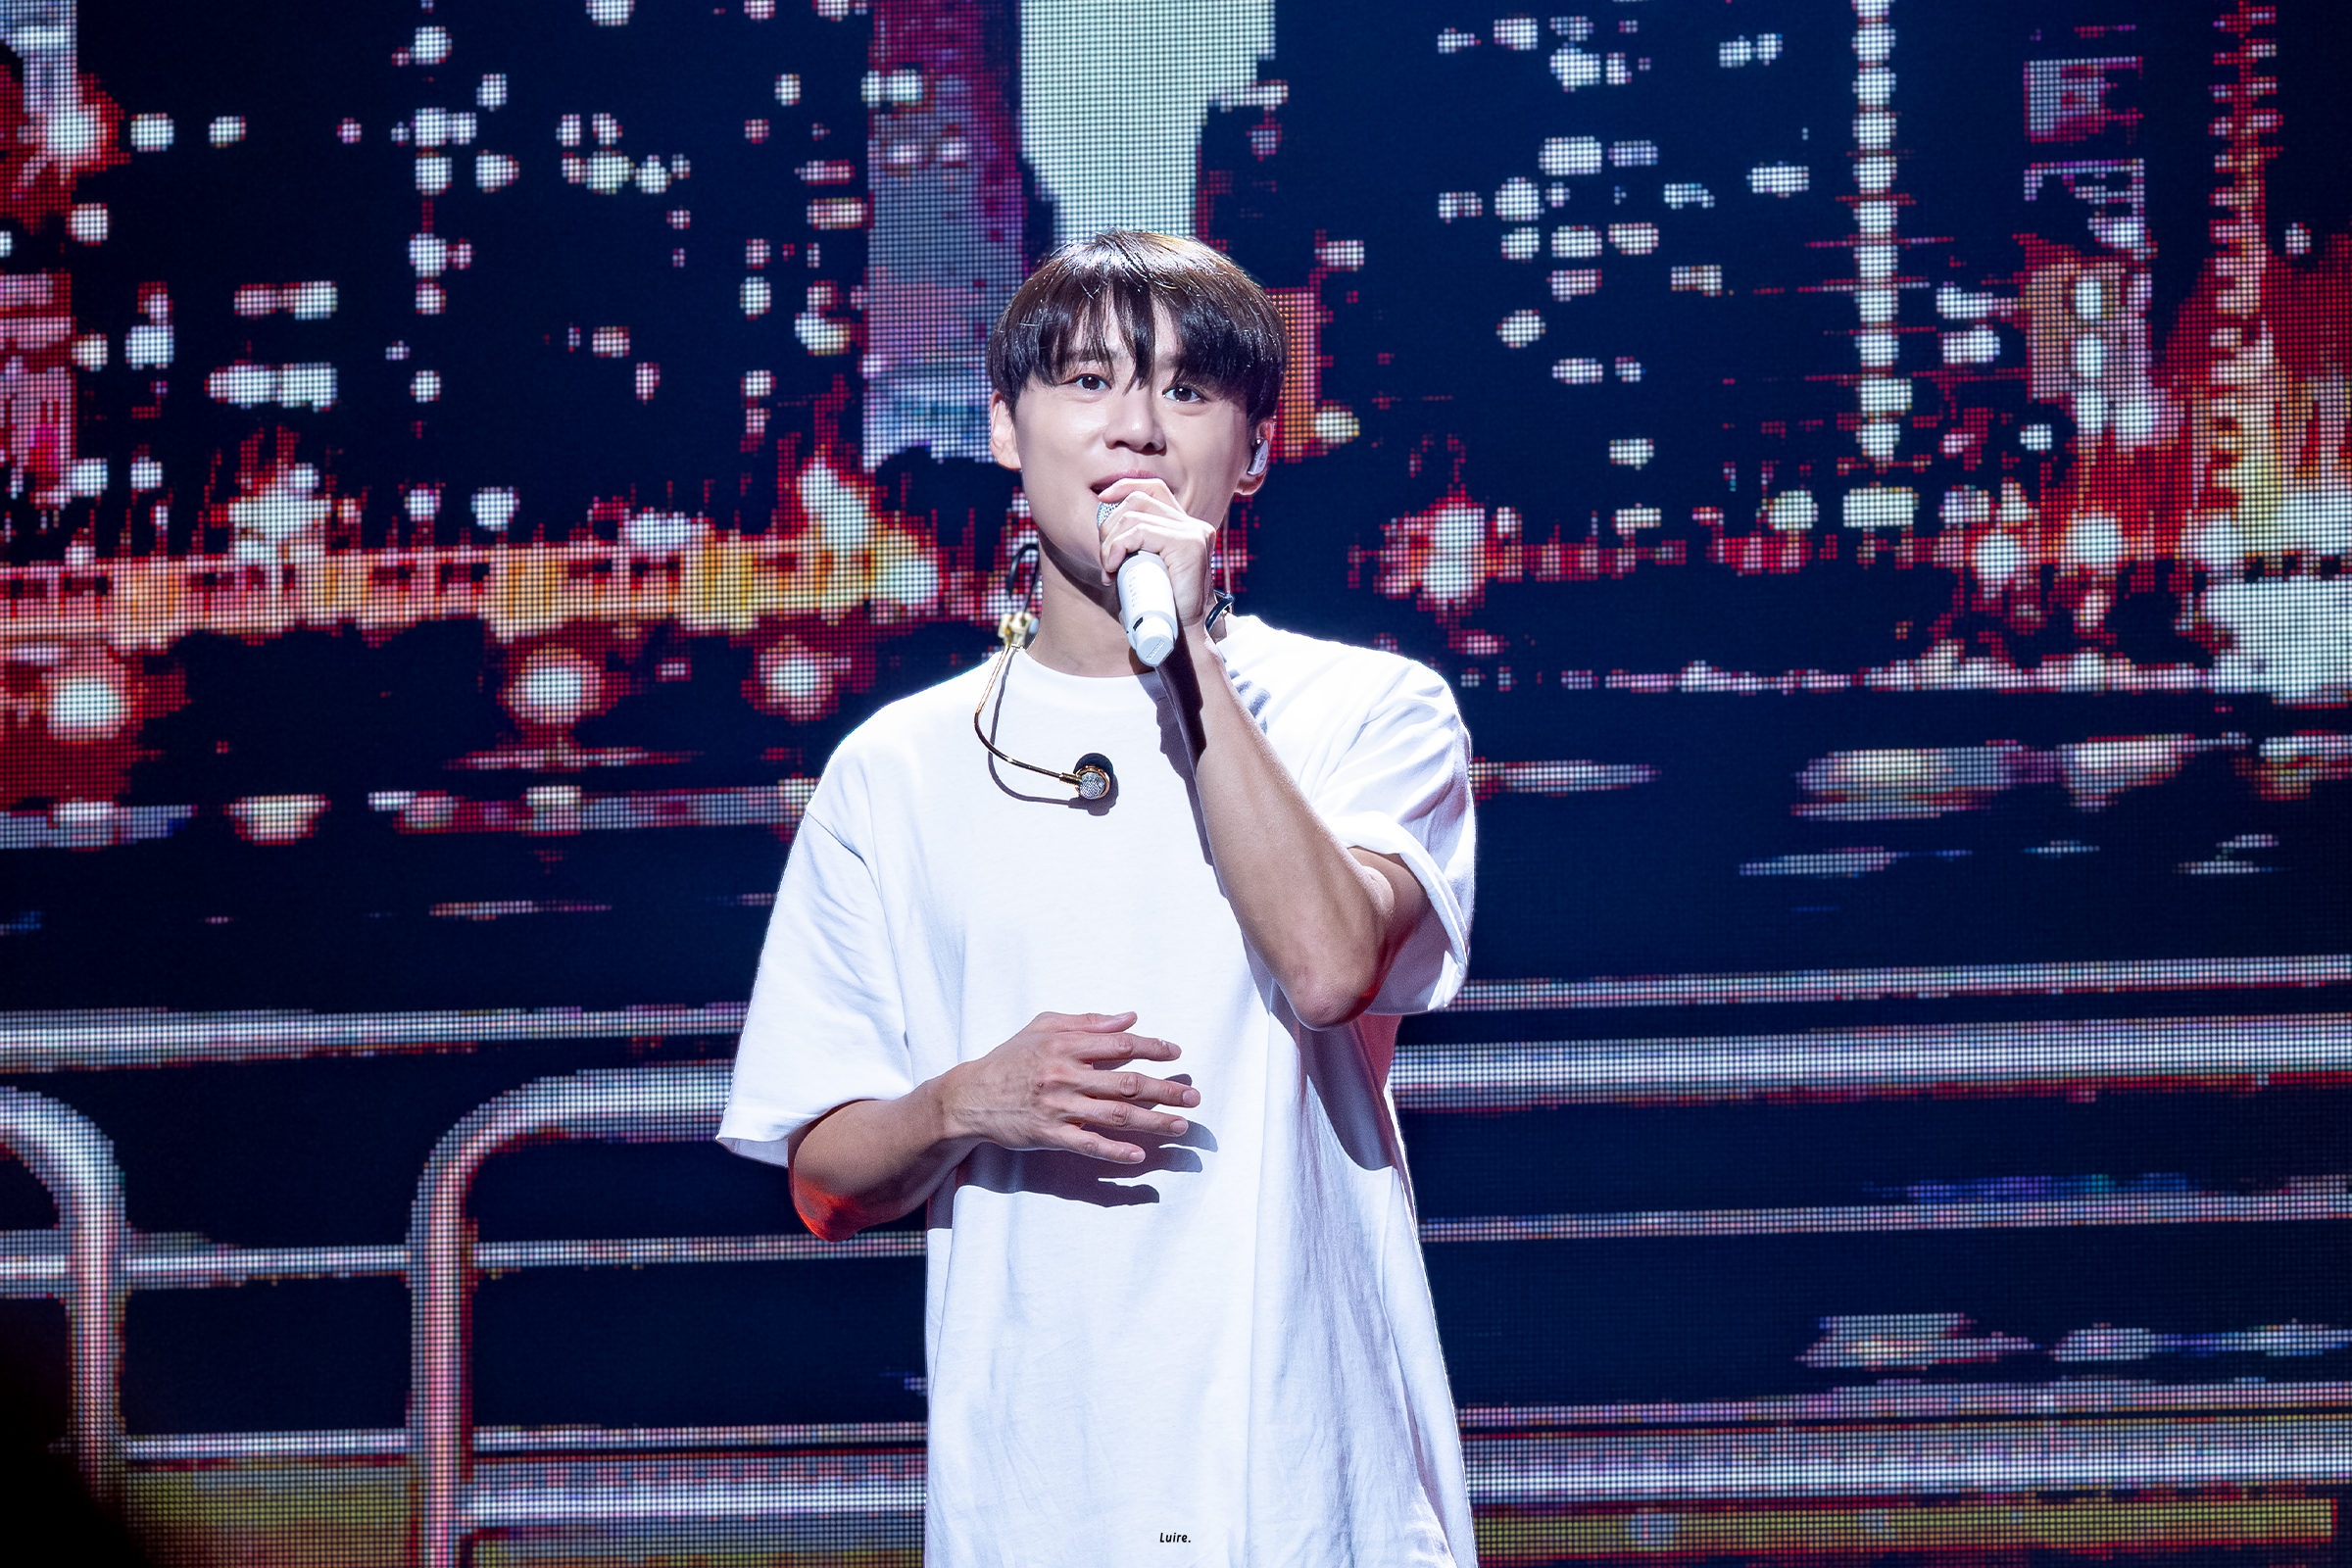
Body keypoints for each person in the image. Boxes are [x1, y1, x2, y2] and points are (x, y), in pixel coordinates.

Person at [718, 229, 1478, 1566]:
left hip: (1310, 1490)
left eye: (1187, 390)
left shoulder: (1373, 712)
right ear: (1007, 432)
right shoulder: (896, 771)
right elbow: (824, 1180)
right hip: (1037, 1505)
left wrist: (1182, 654)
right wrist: (967, 1102)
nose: (1134, 426)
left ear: (1253, 450)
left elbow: (1327, 968)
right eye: (1086, 383)